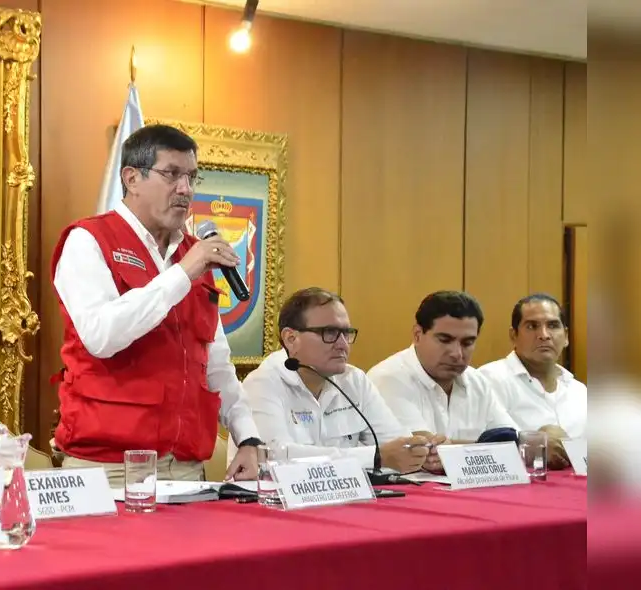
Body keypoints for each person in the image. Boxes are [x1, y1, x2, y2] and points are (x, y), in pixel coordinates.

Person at [50, 124, 261, 486]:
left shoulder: (192, 252)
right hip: (110, 468)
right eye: (172, 174)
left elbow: (215, 363)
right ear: (132, 178)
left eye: (192, 177)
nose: (185, 189)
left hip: (185, 467)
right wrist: (182, 274)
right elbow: (101, 336)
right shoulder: (89, 240)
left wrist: (248, 437)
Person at [232, 288, 434, 473]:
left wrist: (423, 452)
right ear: (291, 339)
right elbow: (273, 458)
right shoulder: (262, 384)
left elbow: (396, 447)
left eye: (346, 333)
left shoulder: (354, 380)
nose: (342, 344)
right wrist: (373, 457)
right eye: (329, 333)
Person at [367, 291, 516, 445]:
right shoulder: (387, 379)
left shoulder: (478, 382)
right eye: (445, 340)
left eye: (467, 343)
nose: (457, 354)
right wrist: (489, 447)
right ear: (417, 335)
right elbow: (423, 449)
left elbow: (511, 441)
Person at [479, 294, 587, 469]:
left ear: (566, 336)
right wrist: (532, 444)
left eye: (553, 325)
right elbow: (481, 446)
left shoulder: (579, 391)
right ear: (513, 335)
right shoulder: (488, 380)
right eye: (532, 326)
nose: (544, 335)